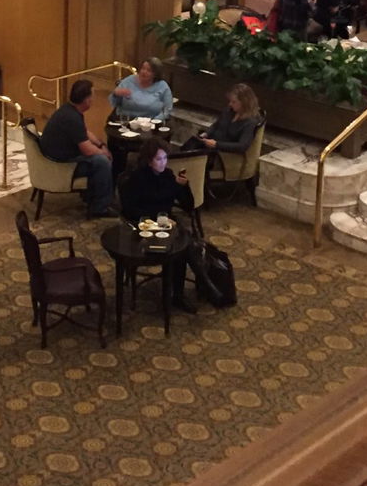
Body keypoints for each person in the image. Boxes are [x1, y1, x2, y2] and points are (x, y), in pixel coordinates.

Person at [118, 138, 198, 311]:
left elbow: (189, 206)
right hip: (143, 228)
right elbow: (130, 210)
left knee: (184, 246)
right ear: (149, 160)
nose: (163, 163)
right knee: (185, 245)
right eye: (159, 159)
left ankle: (178, 294)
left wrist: (184, 187)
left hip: (166, 226)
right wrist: (157, 219)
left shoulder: (168, 176)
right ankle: (203, 285)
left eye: (165, 158)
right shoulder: (136, 179)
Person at [39, 78, 116, 217]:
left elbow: (84, 132)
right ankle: (100, 207)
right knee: (102, 162)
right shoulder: (72, 118)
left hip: (57, 156)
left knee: (99, 157)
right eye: (92, 95)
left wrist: (100, 145)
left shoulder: (68, 110)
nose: (94, 99)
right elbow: (87, 149)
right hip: (60, 164)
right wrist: (105, 153)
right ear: (86, 100)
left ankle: (92, 197)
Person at [182, 82, 262, 163]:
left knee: (193, 157)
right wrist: (206, 133)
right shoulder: (229, 111)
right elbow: (216, 125)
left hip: (223, 152)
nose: (230, 104)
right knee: (190, 146)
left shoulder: (250, 122)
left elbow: (242, 146)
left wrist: (217, 144)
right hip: (210, 143)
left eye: (234, 102)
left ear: (244, 103)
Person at [110, 57, 174, 121]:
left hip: (150, 124)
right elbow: (114, 102)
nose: (144, 72)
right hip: (126, 121)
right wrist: (116, 94)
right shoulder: (129, 81)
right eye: (143, 68)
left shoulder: (162, 86)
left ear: (155, 74)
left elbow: (167, 110)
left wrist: (154, 121)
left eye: (149, 70)